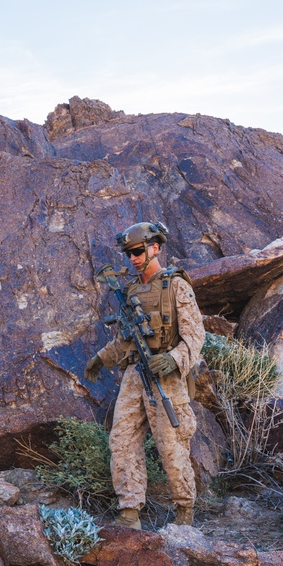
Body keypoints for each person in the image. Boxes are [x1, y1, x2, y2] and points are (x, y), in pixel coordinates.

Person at [84, 221, 204, 528]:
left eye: (138, 251)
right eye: (129, 254)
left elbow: (195, 335)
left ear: (155, 247)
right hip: (135, 374)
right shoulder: (132, 290)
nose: (133, 258)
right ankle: (130, 510)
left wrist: (174, 359)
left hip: (166, 377)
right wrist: (101, 358)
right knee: (122, 438)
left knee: (171, 442)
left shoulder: (176, 286)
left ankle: (184, 510)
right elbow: (127, 337)